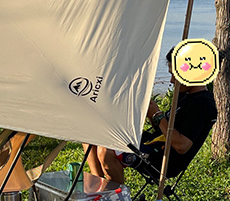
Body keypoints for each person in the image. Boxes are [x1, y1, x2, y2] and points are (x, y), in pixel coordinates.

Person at [83, 46, 218, 191]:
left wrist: (158, 115)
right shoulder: (185, 95)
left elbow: (181, 146)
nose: (171, 81)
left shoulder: (201, 104)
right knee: (91, 132)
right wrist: (150, 114)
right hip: (153, 142)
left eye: (175, 75)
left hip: (163, 159)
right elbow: (164, 131)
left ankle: (117, 199)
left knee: (106, 150)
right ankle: (98, 187)